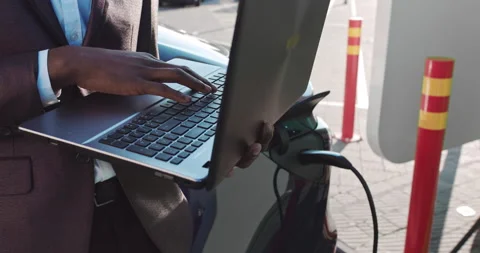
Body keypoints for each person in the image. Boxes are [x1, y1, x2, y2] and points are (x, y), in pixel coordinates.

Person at [0, 1, 273, 253]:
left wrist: (201, 142)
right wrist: (62, 65)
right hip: (26, 227)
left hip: (148, 216)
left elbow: (146, 76)